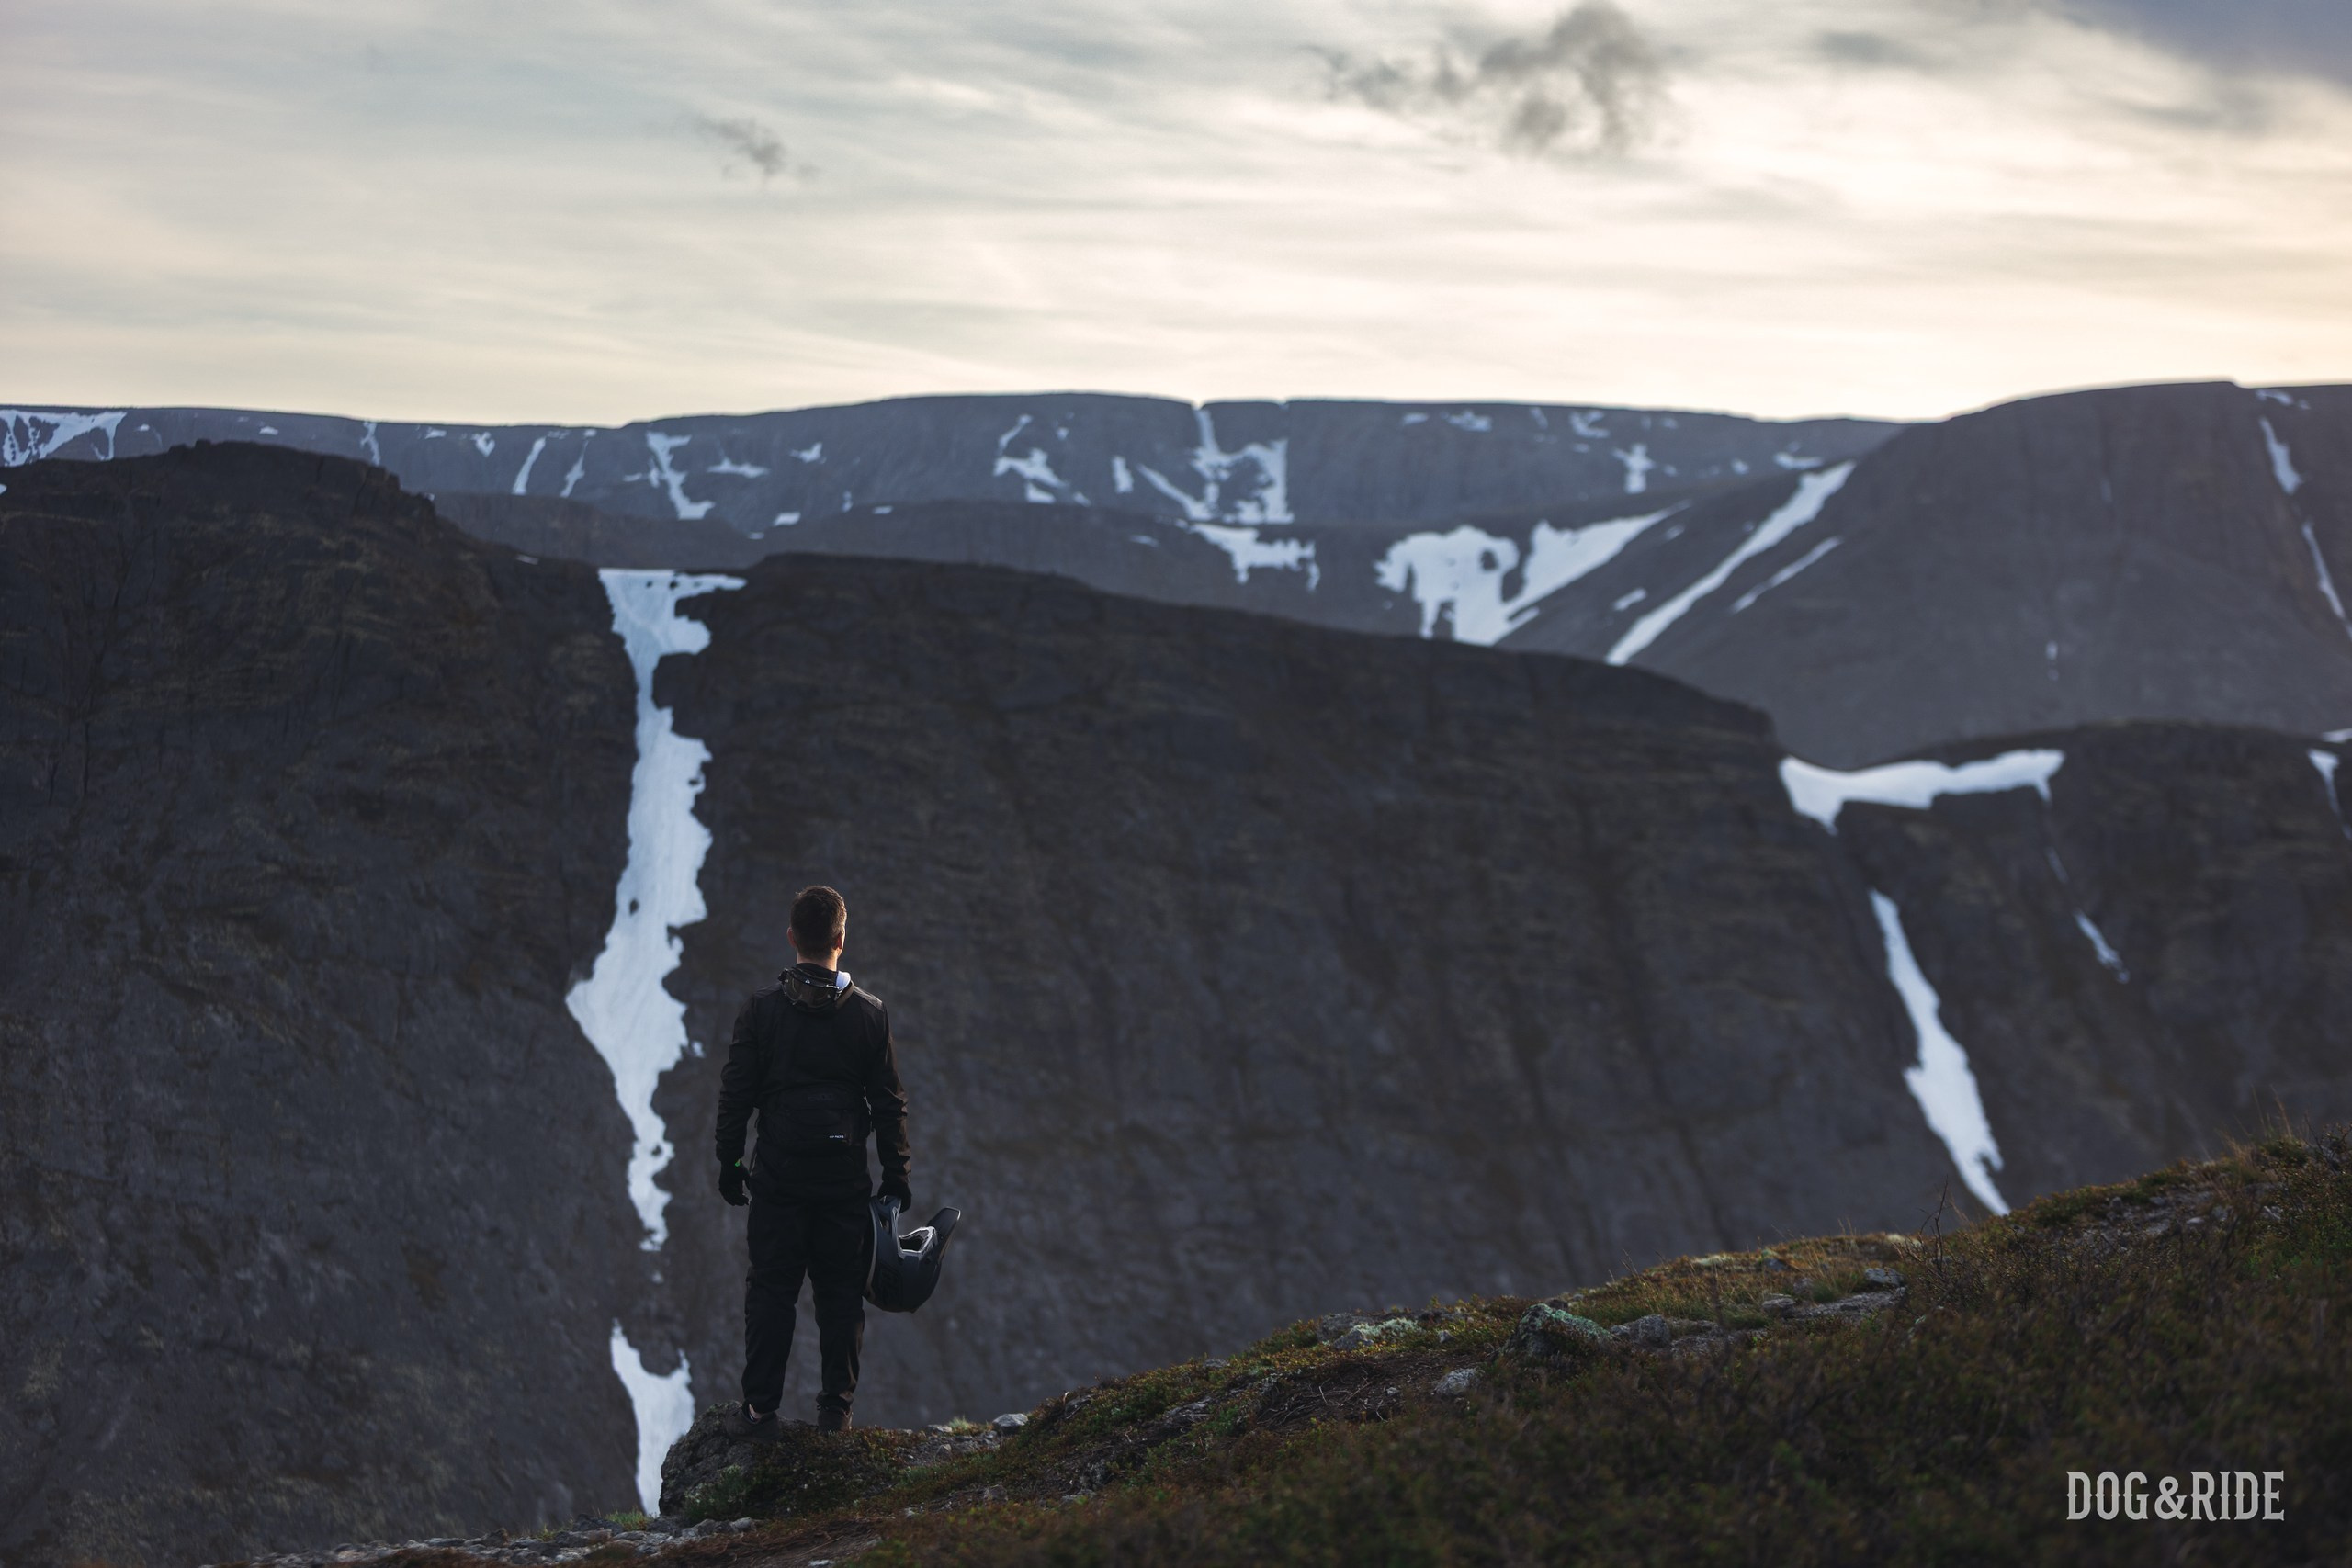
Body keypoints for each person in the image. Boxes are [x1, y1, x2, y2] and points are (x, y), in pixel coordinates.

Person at [714, 885, 912, 1436]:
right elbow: (889, 1104)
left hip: (777, 1182)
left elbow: (736, 1098)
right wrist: (896, 1178)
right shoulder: (870, 1016)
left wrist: (731, 1166)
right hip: (843, 1185)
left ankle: (759, 1413)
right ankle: (835, 1413)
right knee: (841, 1296)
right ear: (841, 941)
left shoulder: (761, 1012)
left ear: (791, 938)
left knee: (772, 1293)